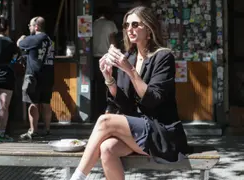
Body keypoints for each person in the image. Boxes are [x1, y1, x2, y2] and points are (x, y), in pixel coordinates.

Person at [70, 6, 189, 180]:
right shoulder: (130, 57)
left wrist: (130, 70)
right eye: (126, 25)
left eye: (135, 24)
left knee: (105, 120)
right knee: (107, 148)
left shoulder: (163, 57)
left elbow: (153, 99)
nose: (129, 29)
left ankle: (77, 178)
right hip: (138, 128)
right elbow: (124, 104)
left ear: (148, 28)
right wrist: (108, 78)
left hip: (161, 131)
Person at [17, 16, 54, 140]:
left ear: (36, 26)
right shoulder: (48, 39)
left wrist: (22, 37)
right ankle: (48, 129)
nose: (29, 27)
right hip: (48, 74)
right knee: (46, 103)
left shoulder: (33, 39)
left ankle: (33, 131)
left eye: (30, 25)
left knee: (33, 104)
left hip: (34, 76)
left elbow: (19, 44)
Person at [92, 6, 118, 119]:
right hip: (107, 58)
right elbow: (112, 41)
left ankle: (98, 109)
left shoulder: (92, 24)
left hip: (94, 58)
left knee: (98, 86)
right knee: (110, 84)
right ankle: (110, 107)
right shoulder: (110, 24)